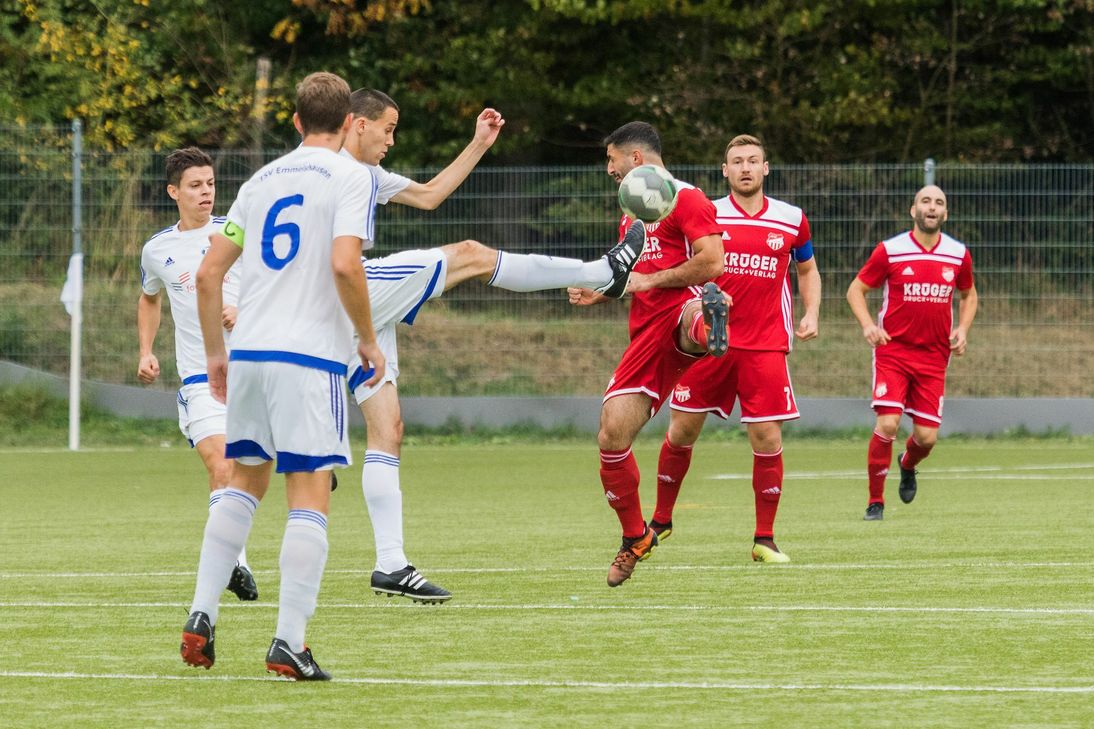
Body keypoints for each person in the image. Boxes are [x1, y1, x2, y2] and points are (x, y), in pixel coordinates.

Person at [338, 89, 646, 602]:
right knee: (472, 255)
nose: (392, 140)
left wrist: (479, 144)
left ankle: (390, 564)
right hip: (349, 290)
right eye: (387, 129)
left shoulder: (361, 174)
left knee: (387, 429)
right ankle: (605, 272)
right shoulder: (331, 170)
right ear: (357, 124)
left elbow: (431, 195)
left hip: (351, 313)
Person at [180, 71, 385, 681]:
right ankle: (288, 643)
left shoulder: (260, 180)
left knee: (243, 483)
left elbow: (211, 274)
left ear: (295, 122)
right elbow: (346, 264)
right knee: (309, 491)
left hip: (249, 356)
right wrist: (368, 341)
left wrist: (217, 354)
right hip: (308, 357)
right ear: (350, 123)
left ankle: (200, 614)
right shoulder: (353, 177)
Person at [568, 121, 729, 588]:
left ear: (636, 158)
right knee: (611, 436)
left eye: (612, 159)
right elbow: (635, 270)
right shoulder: (634, 210)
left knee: (694, 313)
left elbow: (713, 261)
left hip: (681, 308)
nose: (609, 169)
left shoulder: (688, 198)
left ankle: (709, 323)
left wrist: (652, 282)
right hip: (645, 336)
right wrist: (603, 291)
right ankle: (635, 536)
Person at [650, 134, 821, 563]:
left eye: (753, 161)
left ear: (766, 168)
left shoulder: (791, 218)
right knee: (682, 431)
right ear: (724, 171)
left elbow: (808, 269)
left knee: (766, 437)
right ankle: (660, 521)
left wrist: (812, 312)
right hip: (709, 343)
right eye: (737, 162)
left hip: (765, 344)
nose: (745, 168)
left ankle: (764, 539)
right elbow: (682, 265)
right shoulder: (706, 214)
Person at [137, 147, 258, 601]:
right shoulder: (158, 250)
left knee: (250, 471)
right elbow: (149, 297)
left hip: (255, 373)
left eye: (209, 184)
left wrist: (241, 306)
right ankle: (236, 564)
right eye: (194, 185)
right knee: (222, 466)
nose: (205, 192)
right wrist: (146, 350)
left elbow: (278, 284)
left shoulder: (237, 234)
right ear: (174, 192)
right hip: (200, 380)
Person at [846, 184, 978, 520]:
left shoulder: (958, 253)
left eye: (938, 203)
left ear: (945, 214)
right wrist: (868, 326)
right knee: (888, 424)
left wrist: (962, 329)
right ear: (913, 210)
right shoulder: (891, 250)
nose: (931, 207)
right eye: (925, 201)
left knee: (926, 437)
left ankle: (907, 464)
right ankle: (875, 502)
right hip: (893, 351)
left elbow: (969, 295)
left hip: (934, 359)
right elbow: (856, 290)